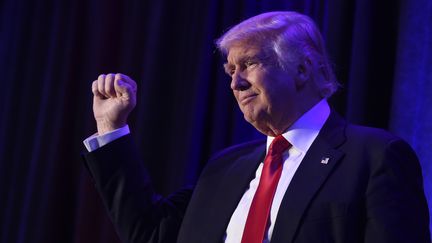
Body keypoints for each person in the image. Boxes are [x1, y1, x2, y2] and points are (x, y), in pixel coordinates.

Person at [82, 11, 430, 243]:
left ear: (303, 69)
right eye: (229, 72)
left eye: (248, 64)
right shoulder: (224, 169)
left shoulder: (373, 158)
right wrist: (110, 128)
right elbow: (150, 234)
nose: (235, 84)